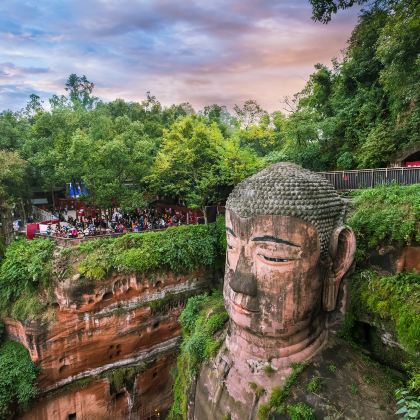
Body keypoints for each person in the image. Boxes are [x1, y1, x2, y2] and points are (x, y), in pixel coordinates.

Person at [193, 163, 356, 419]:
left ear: (337, 260)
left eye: (273, 257)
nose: (239, 283)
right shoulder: (204, 342)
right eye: (231, 246)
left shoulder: (341, 406)